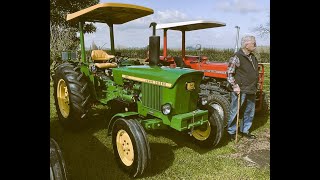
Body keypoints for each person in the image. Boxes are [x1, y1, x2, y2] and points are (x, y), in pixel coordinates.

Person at [227, 35, 259, 141]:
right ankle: (231, 132)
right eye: (254, 43)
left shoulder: (253, 57)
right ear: (246, 44)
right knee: (235, 111)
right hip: (240, 89)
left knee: (249, 111)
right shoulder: (237, 56)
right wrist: (235, 86)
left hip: (251, 89)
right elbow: (229, 73)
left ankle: (245, 131)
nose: (255, 45)